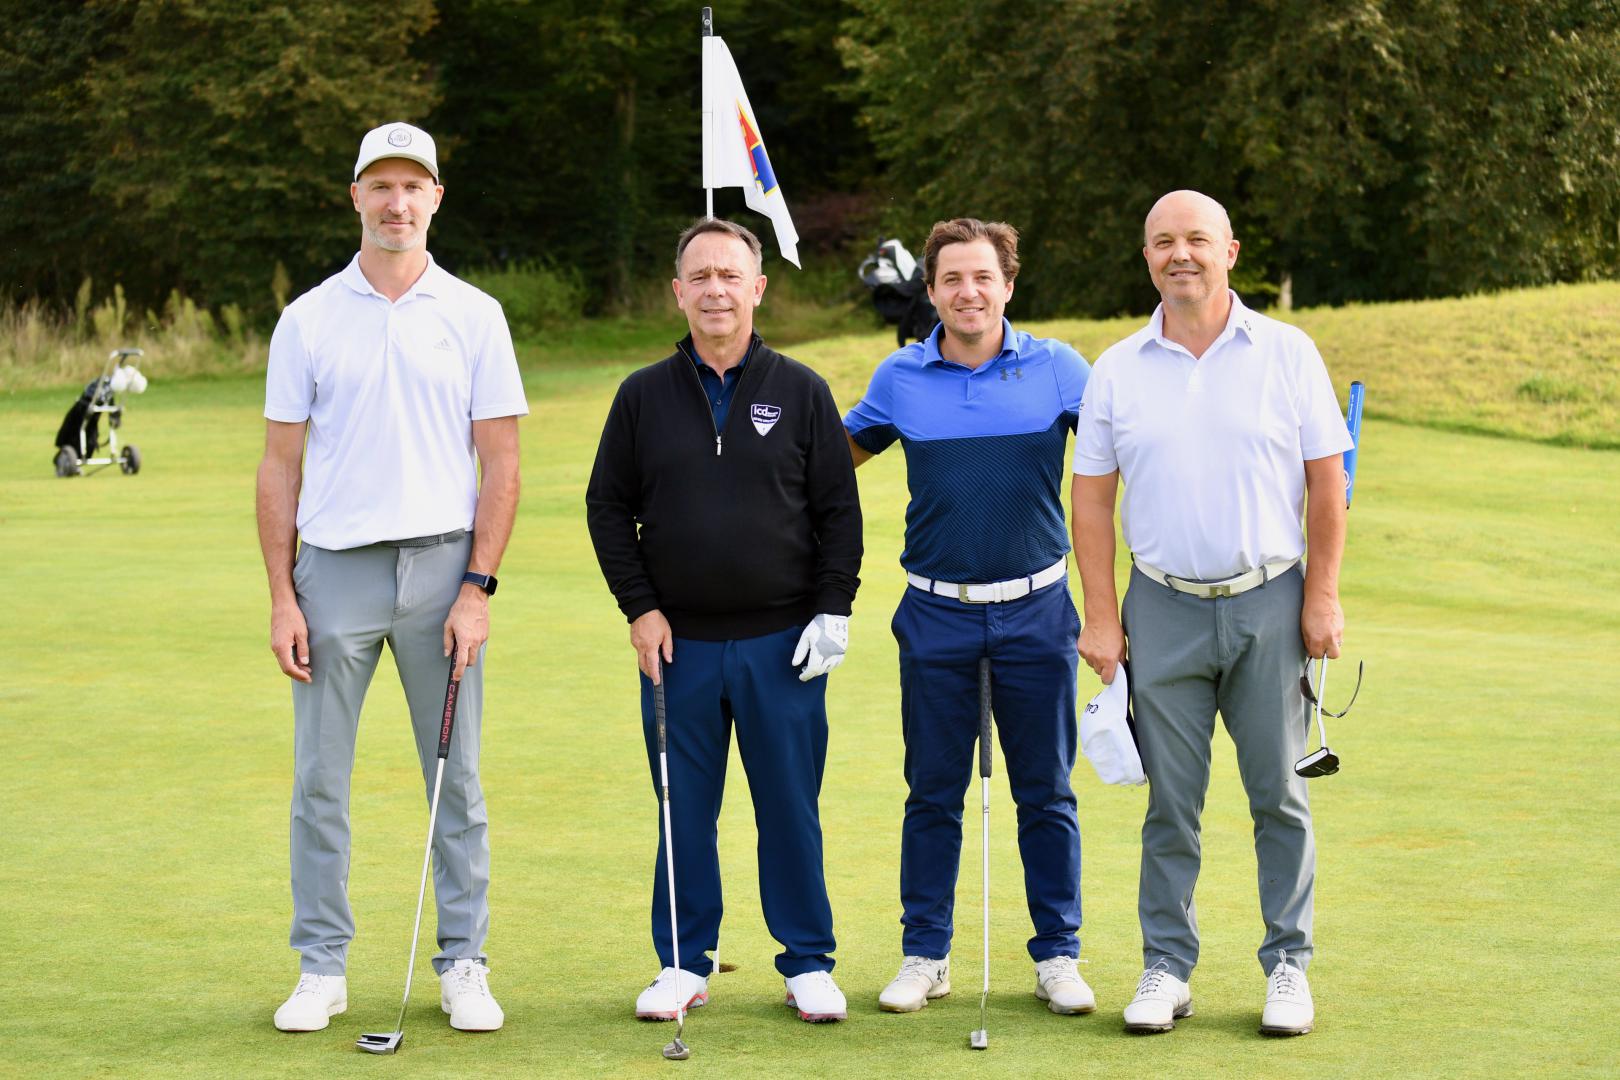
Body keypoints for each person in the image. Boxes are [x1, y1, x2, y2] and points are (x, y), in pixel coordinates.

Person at [256, 121, 526, 1034]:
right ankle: (320, 966)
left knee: (458, 780)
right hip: (334, 572)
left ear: (436, 198)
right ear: (356, 197)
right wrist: (283, 595)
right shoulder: (307, 318)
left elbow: (502, 461)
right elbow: (279, 466)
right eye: (381, 186)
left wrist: (477, 589)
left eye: (413, 187)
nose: (397, 203)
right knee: (319, 780)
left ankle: (464, 963)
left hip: (445, 570)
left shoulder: (475, 314)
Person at [1071, 189, 1353, 1037]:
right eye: (1163, 241)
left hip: (1271, 601)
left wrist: (1323, 595)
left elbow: (1326, 483)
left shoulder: (1287, 352)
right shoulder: (1117, 367)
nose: (1180, 253)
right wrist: (1100, 616)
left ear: (1229, 251)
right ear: (1147, 257)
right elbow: (1092, 500)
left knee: (1280, 797)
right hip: (1161, 607)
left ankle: (1288, 967)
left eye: (1197, 238)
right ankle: (1166, 966)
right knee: (1172, 805)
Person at [585, 218, 863, 1024]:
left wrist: (833, 609)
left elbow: (838, 512)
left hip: (784, 642)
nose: (716, 290)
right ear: (678, 291)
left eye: (730, 275)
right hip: (679, 646)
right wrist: (640, 607)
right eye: (700, 276)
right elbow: (608, 507)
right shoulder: (642, 395)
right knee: (683, 810)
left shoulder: (801, 389)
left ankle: (807, 962)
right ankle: (682, 962)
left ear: (758, 288)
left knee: (789, 808)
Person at [843, 218, 1095, 1017]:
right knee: (932, 792)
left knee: (1046, 792)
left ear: (1008, 285)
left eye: (983, 276)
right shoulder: (901, 377)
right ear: (931, 290)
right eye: (951, 278)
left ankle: (1058, 954)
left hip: (1039, 608)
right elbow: (828, 462)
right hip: (935, 611)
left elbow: (1128, 452)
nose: (968, 292)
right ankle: (926, 954)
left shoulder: (1059, 369)